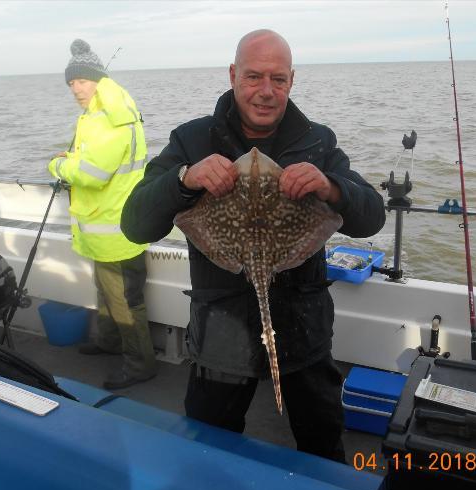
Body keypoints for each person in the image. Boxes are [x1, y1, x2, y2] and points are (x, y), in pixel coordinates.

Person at [120, 29, 385, 462]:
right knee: (210, 450)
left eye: (278, 79)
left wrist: (332, 186)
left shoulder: (318, 141)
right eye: (253, 77)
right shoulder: (192, 139)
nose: (266, 91)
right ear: (232, 75)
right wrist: (184, 179)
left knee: (323, 445)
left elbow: (371, 214)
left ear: (292, 81)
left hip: (305, 329)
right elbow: (134, 224)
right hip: (221, 334)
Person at [48, 39, 157, 390]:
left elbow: (93, 173)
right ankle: (110, 342)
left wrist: (59, 165)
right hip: (105, 225)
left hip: (117, 228)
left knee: (126, 301)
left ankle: (141, 365)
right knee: (106, 291)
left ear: (97, 79)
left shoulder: (112, 117)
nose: (75, 89)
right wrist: (72, 160)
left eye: (81, 80)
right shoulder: (101, 112)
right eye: (70, 83)